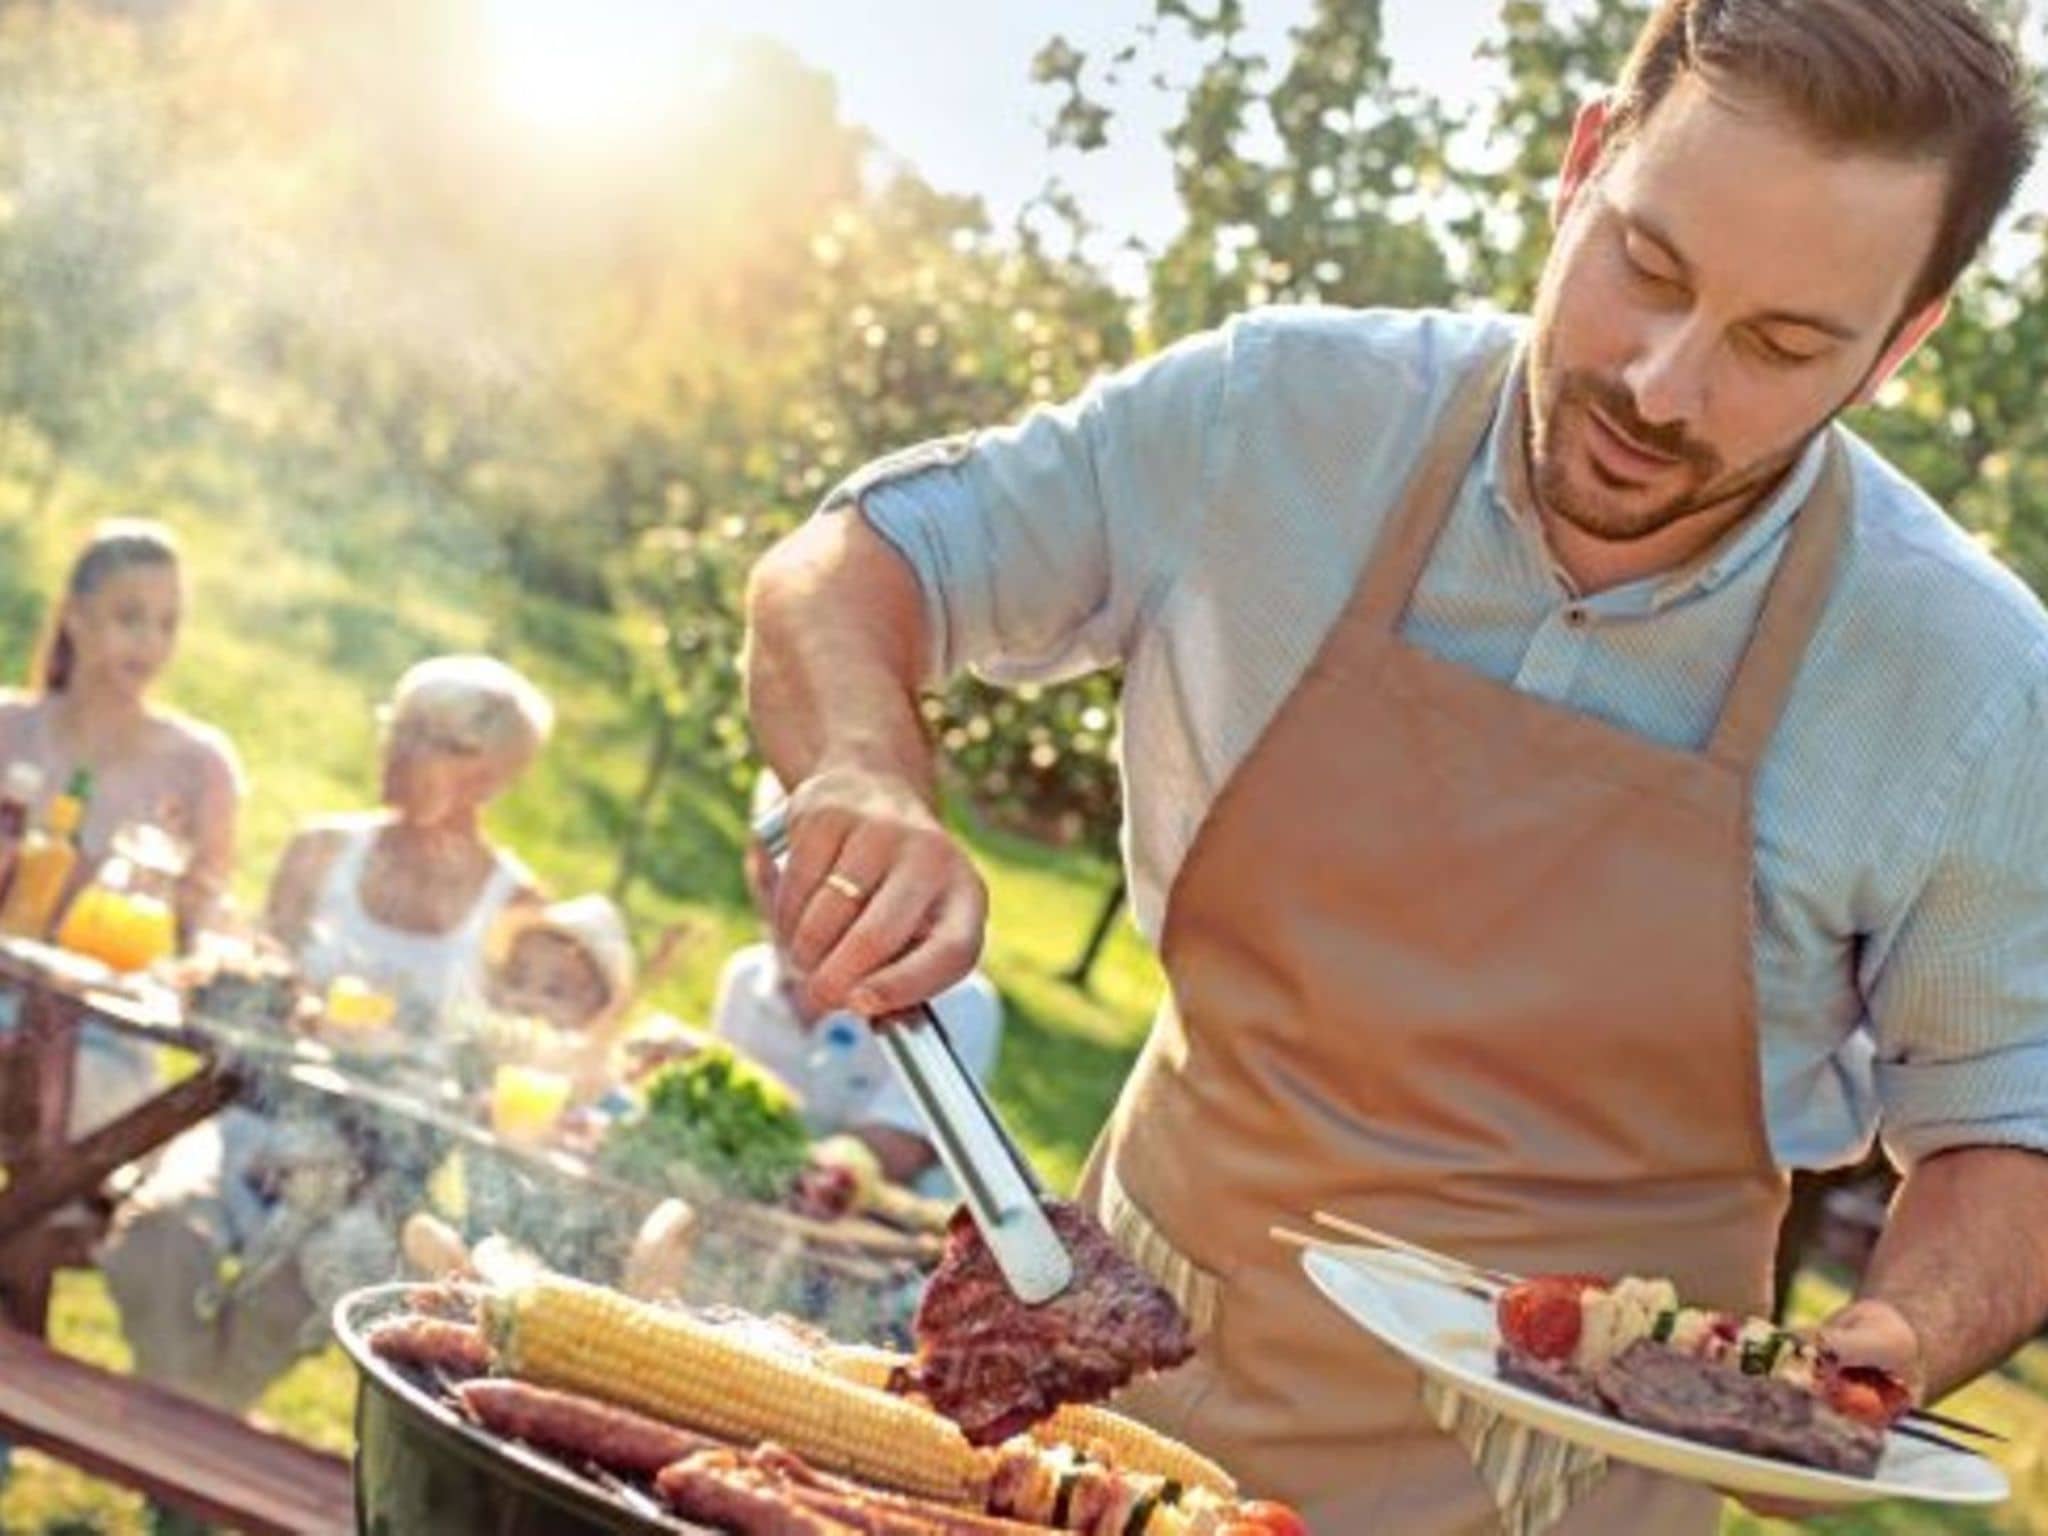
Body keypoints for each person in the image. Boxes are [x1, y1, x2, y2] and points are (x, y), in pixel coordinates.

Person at [743, 4, 2048, 1531]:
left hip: (1557, 1488)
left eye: (1781, 345)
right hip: (1098, 1412)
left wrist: (1896, 1345)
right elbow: (861, 559)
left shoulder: (1968, 683)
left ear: (1899, 345)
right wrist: (865, 773)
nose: (1662, 386)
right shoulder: (1278, 419)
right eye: (1649, 267)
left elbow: (2010, 1123)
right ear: (1583, 165)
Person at [101, 654, 553, 1420]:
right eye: (395, 729)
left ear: (489, 775)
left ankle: (179, 1437)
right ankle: (201, 1439)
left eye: (428, 740)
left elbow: (512, 1053)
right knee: (158, 1244)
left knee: (302, 1284)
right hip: (243, 1118)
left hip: (375, 1168)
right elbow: (256, 973)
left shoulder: (516, 908)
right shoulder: (320, 851)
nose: (394, 752)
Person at [0, 520, 243, 1136]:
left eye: (167, 624)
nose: (151, 643)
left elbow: (206, 933)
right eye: (129, 617)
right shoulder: (8, 729)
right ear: (76, 618)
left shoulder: (199, 766)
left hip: (103, 1040)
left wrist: (215, 951)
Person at [713, 773, 1002, 1190]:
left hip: (881, 1241)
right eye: (770, 859)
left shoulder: (955, 1002)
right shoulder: (744, 978)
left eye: (810, 860)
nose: (784, 888)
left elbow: (892, 1154)